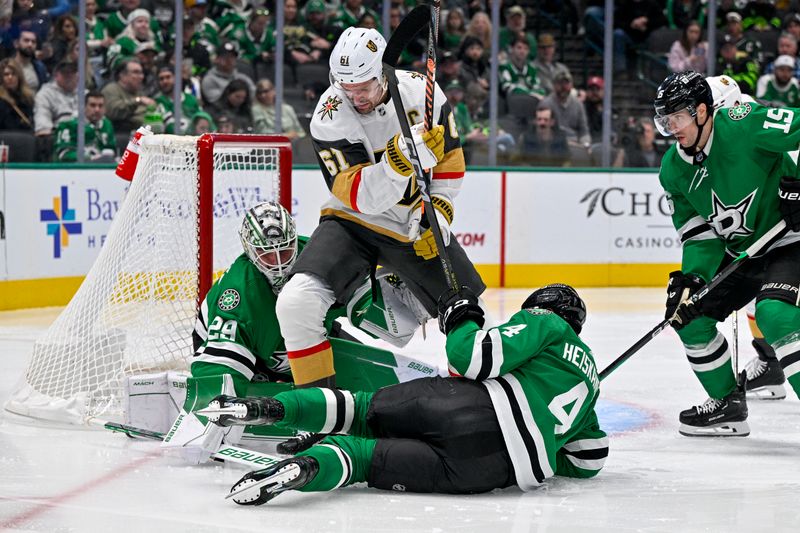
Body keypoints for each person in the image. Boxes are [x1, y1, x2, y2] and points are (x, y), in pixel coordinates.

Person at [204, 284, 608, 505]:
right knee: (361, 459)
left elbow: (471, 359)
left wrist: (463, 319)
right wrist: (542, 446)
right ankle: (307, 469)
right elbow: (591, 459)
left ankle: (264, 406)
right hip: (490, 471)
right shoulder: (591, 385)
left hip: (467, 407)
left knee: (358, 411)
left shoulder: (547, 325)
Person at [276, 27, 484, 388]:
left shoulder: (423, 92)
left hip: (412, 222)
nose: (355, 97)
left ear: (384, 73)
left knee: (468, 315)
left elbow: (450, 160)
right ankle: (317, 409)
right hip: (352, 221)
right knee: (296, 302)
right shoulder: (329, 116)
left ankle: (476, 403)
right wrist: (397, 160)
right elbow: (357, 196)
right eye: (346, 87)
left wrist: (440, 208)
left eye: (364, 87)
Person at [652, 70, 800, 437]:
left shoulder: (743, 124)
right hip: (743, 253)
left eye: (679, 117)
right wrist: (693, 279)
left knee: (775, 314)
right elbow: (698, 232)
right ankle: (727, 405)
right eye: (665, 120)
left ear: (703, 111)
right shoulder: (673, 168)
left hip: (791, 238)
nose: (672, 128)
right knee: (688, 319)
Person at [706, 73, 788, 400]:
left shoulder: (753, 121)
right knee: (759, 297)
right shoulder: (721, 132)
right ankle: (770, 362)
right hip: (765, 234)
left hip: (787, 229)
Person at [52, 90, 116, 162]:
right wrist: (89, 157)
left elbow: (111, 150)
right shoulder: (68, 124)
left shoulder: (106, 124)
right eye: (92, 105)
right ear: (84, 107)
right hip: (72, 170)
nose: (97, 110)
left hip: (99, 168)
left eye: (100, 106)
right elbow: (63, 154)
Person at [499, 34, 544, 100]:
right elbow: (508, 88)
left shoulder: (532, 69)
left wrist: (533, 93)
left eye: (526, 49)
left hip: (530, 102)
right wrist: (531, 93)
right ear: (511, 49)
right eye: (519, 48)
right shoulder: (504, 66)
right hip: (509, 103)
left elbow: (538, 88)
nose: (522, 51)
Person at [0, 58, 34, 131]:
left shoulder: (28, 98)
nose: (10, 77)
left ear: (19, 76)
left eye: (13, 74)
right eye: (6, 74)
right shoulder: (1, 99)